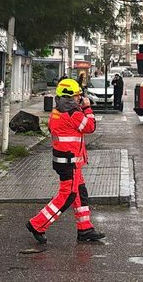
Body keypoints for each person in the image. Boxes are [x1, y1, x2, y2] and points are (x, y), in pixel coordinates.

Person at [26, 78, 104, 245]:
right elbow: (90, 127)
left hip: (66, 161)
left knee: (80, 194)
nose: (79, 98)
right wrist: (87, 108)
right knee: (67, 195)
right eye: (77, 96)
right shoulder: (73, 113)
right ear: (69, 97)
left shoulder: (57, 111)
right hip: (70, 163)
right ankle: (37, 224)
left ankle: (85, 228)